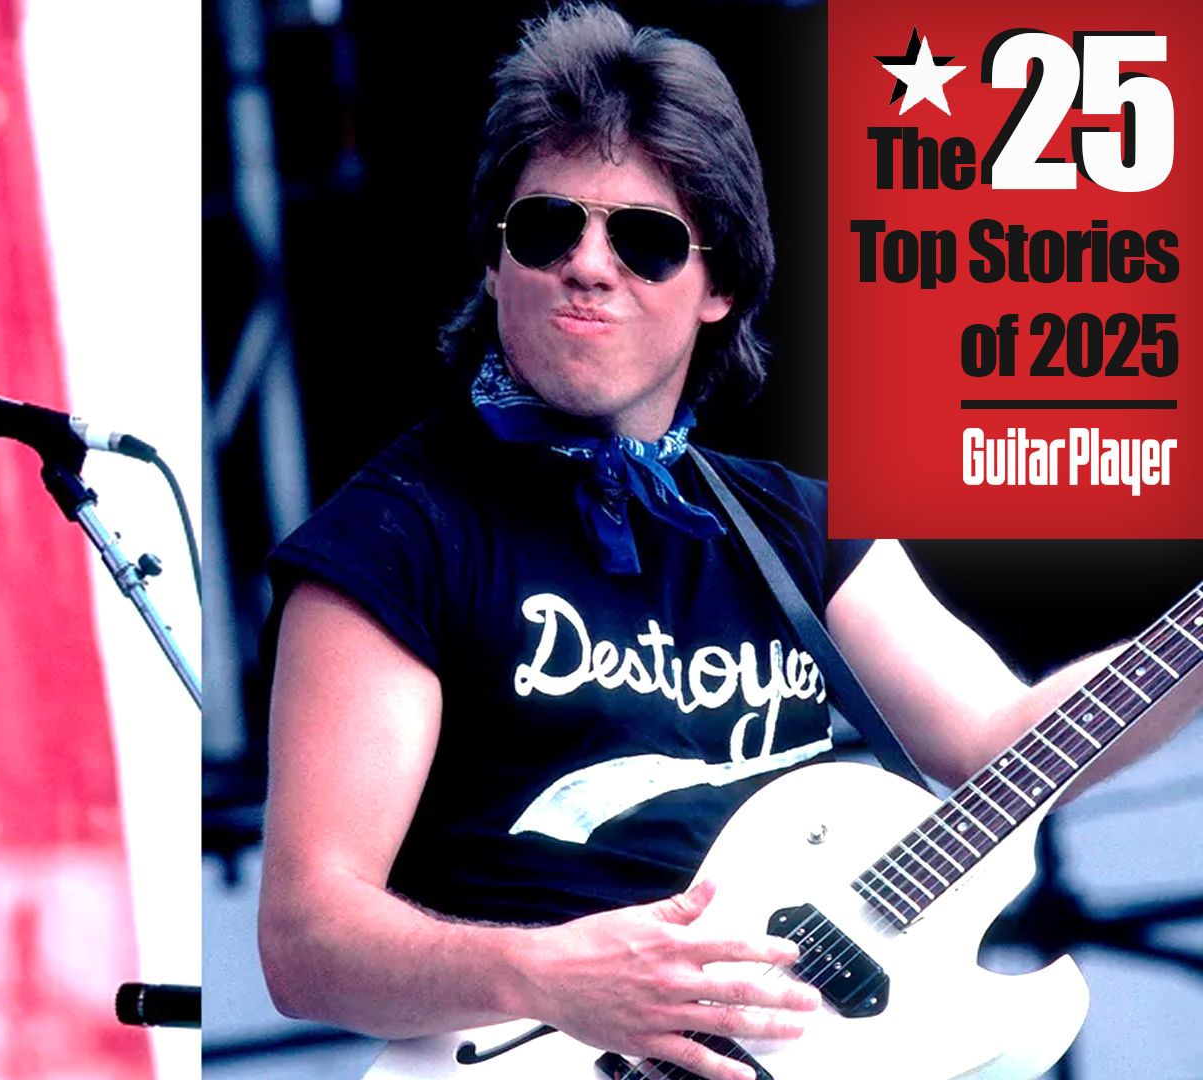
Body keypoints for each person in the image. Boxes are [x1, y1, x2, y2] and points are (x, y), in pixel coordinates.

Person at [253, 8, 1203, 1080]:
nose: (589, 266)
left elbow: (999, 738)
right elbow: (308, 941)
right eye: (547, 228)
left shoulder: (788, 521)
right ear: (493, 257)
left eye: (646, 240)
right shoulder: (395, 535)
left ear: (720, 288)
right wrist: (548, 974)